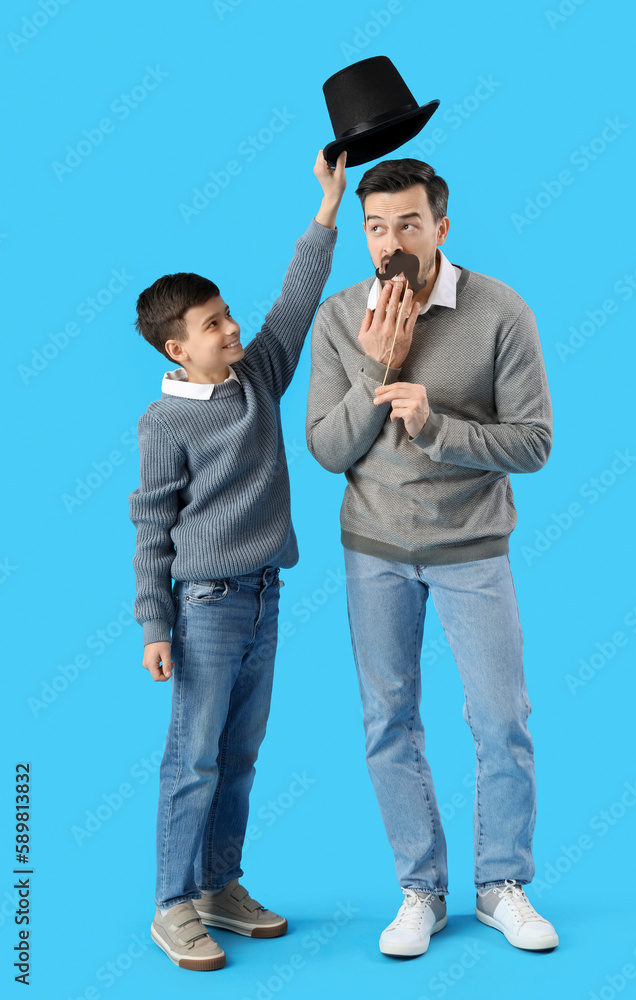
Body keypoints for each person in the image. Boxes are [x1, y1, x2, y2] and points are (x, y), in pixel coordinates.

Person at [306, 157, 558, 958]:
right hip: (372, 550)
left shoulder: (498, 311)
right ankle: (420, 889)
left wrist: (435, 424)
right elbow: (325, 448)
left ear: (441, 228)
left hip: (471, 548)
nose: (389, 242)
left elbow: (533, 442)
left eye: (407, 224)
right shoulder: (340, 318)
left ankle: (501, 886)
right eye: (375, 226)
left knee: (500, 718)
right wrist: (379, 365)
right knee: (388, 723)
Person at [128, 148, 346, 971]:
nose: (233, 326)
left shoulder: (256, 379)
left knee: (242, 753)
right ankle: (172, 903)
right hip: (205, 607)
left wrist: (325, 210)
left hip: (264, 596)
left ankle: (219, 883)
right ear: (178, 351)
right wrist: (155, 623)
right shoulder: (165, 425)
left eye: (226, 313)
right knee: (195, 756)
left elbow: (295, 303)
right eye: (213, 324)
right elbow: (151, 526)